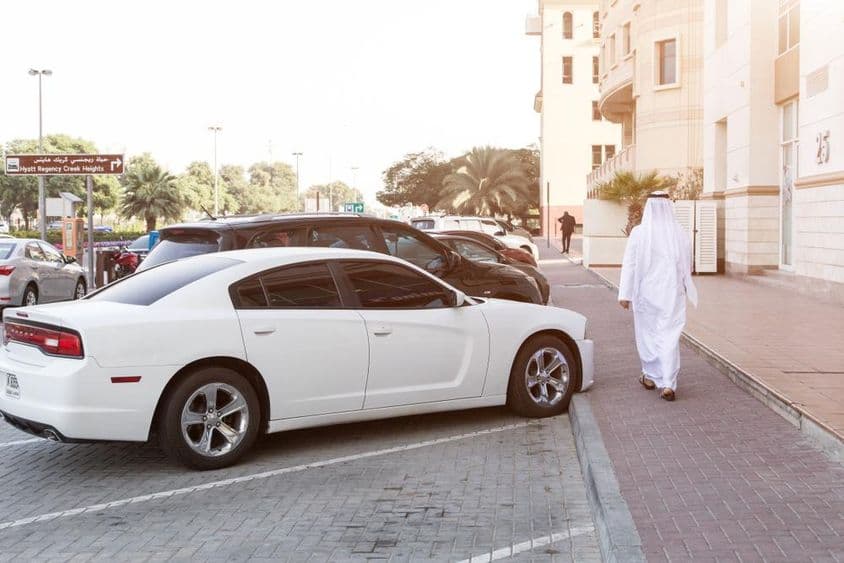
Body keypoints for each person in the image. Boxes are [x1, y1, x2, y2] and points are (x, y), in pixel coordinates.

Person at [617, 191, 698, 401]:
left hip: (646, 292)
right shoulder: (679, 232)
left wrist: (625, 294)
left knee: (648, 334)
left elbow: (630, 264)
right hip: (672, 292)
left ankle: (651, 376)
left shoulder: (639, 232)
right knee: (669, 335)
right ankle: (668, 383)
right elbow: (687, 264)